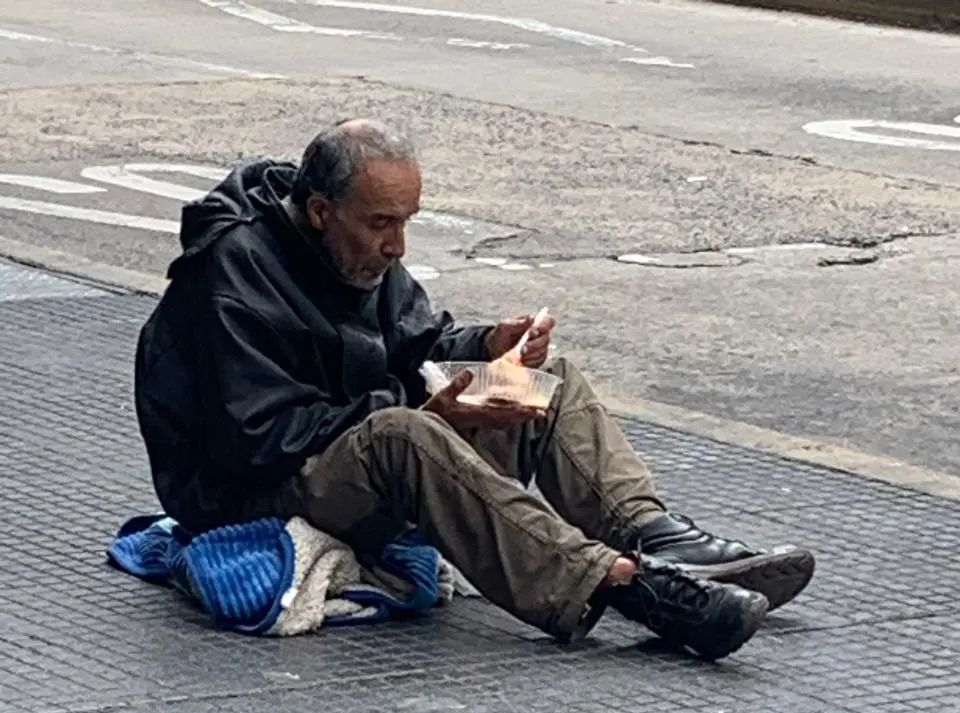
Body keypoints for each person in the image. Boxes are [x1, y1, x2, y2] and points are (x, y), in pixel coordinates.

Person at [135, 119, 815, 661]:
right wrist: (422, 411)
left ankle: (658, 536)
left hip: (358, 442)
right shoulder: (231, 273)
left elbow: (417, 346)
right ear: (319, 210)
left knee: (544, 384)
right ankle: (626, 586)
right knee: (406, 436)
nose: (398, 245)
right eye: (381, 224)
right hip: (248, 488)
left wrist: (489, 349)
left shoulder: (361, 251)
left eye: (407, 221)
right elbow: (255, 438)